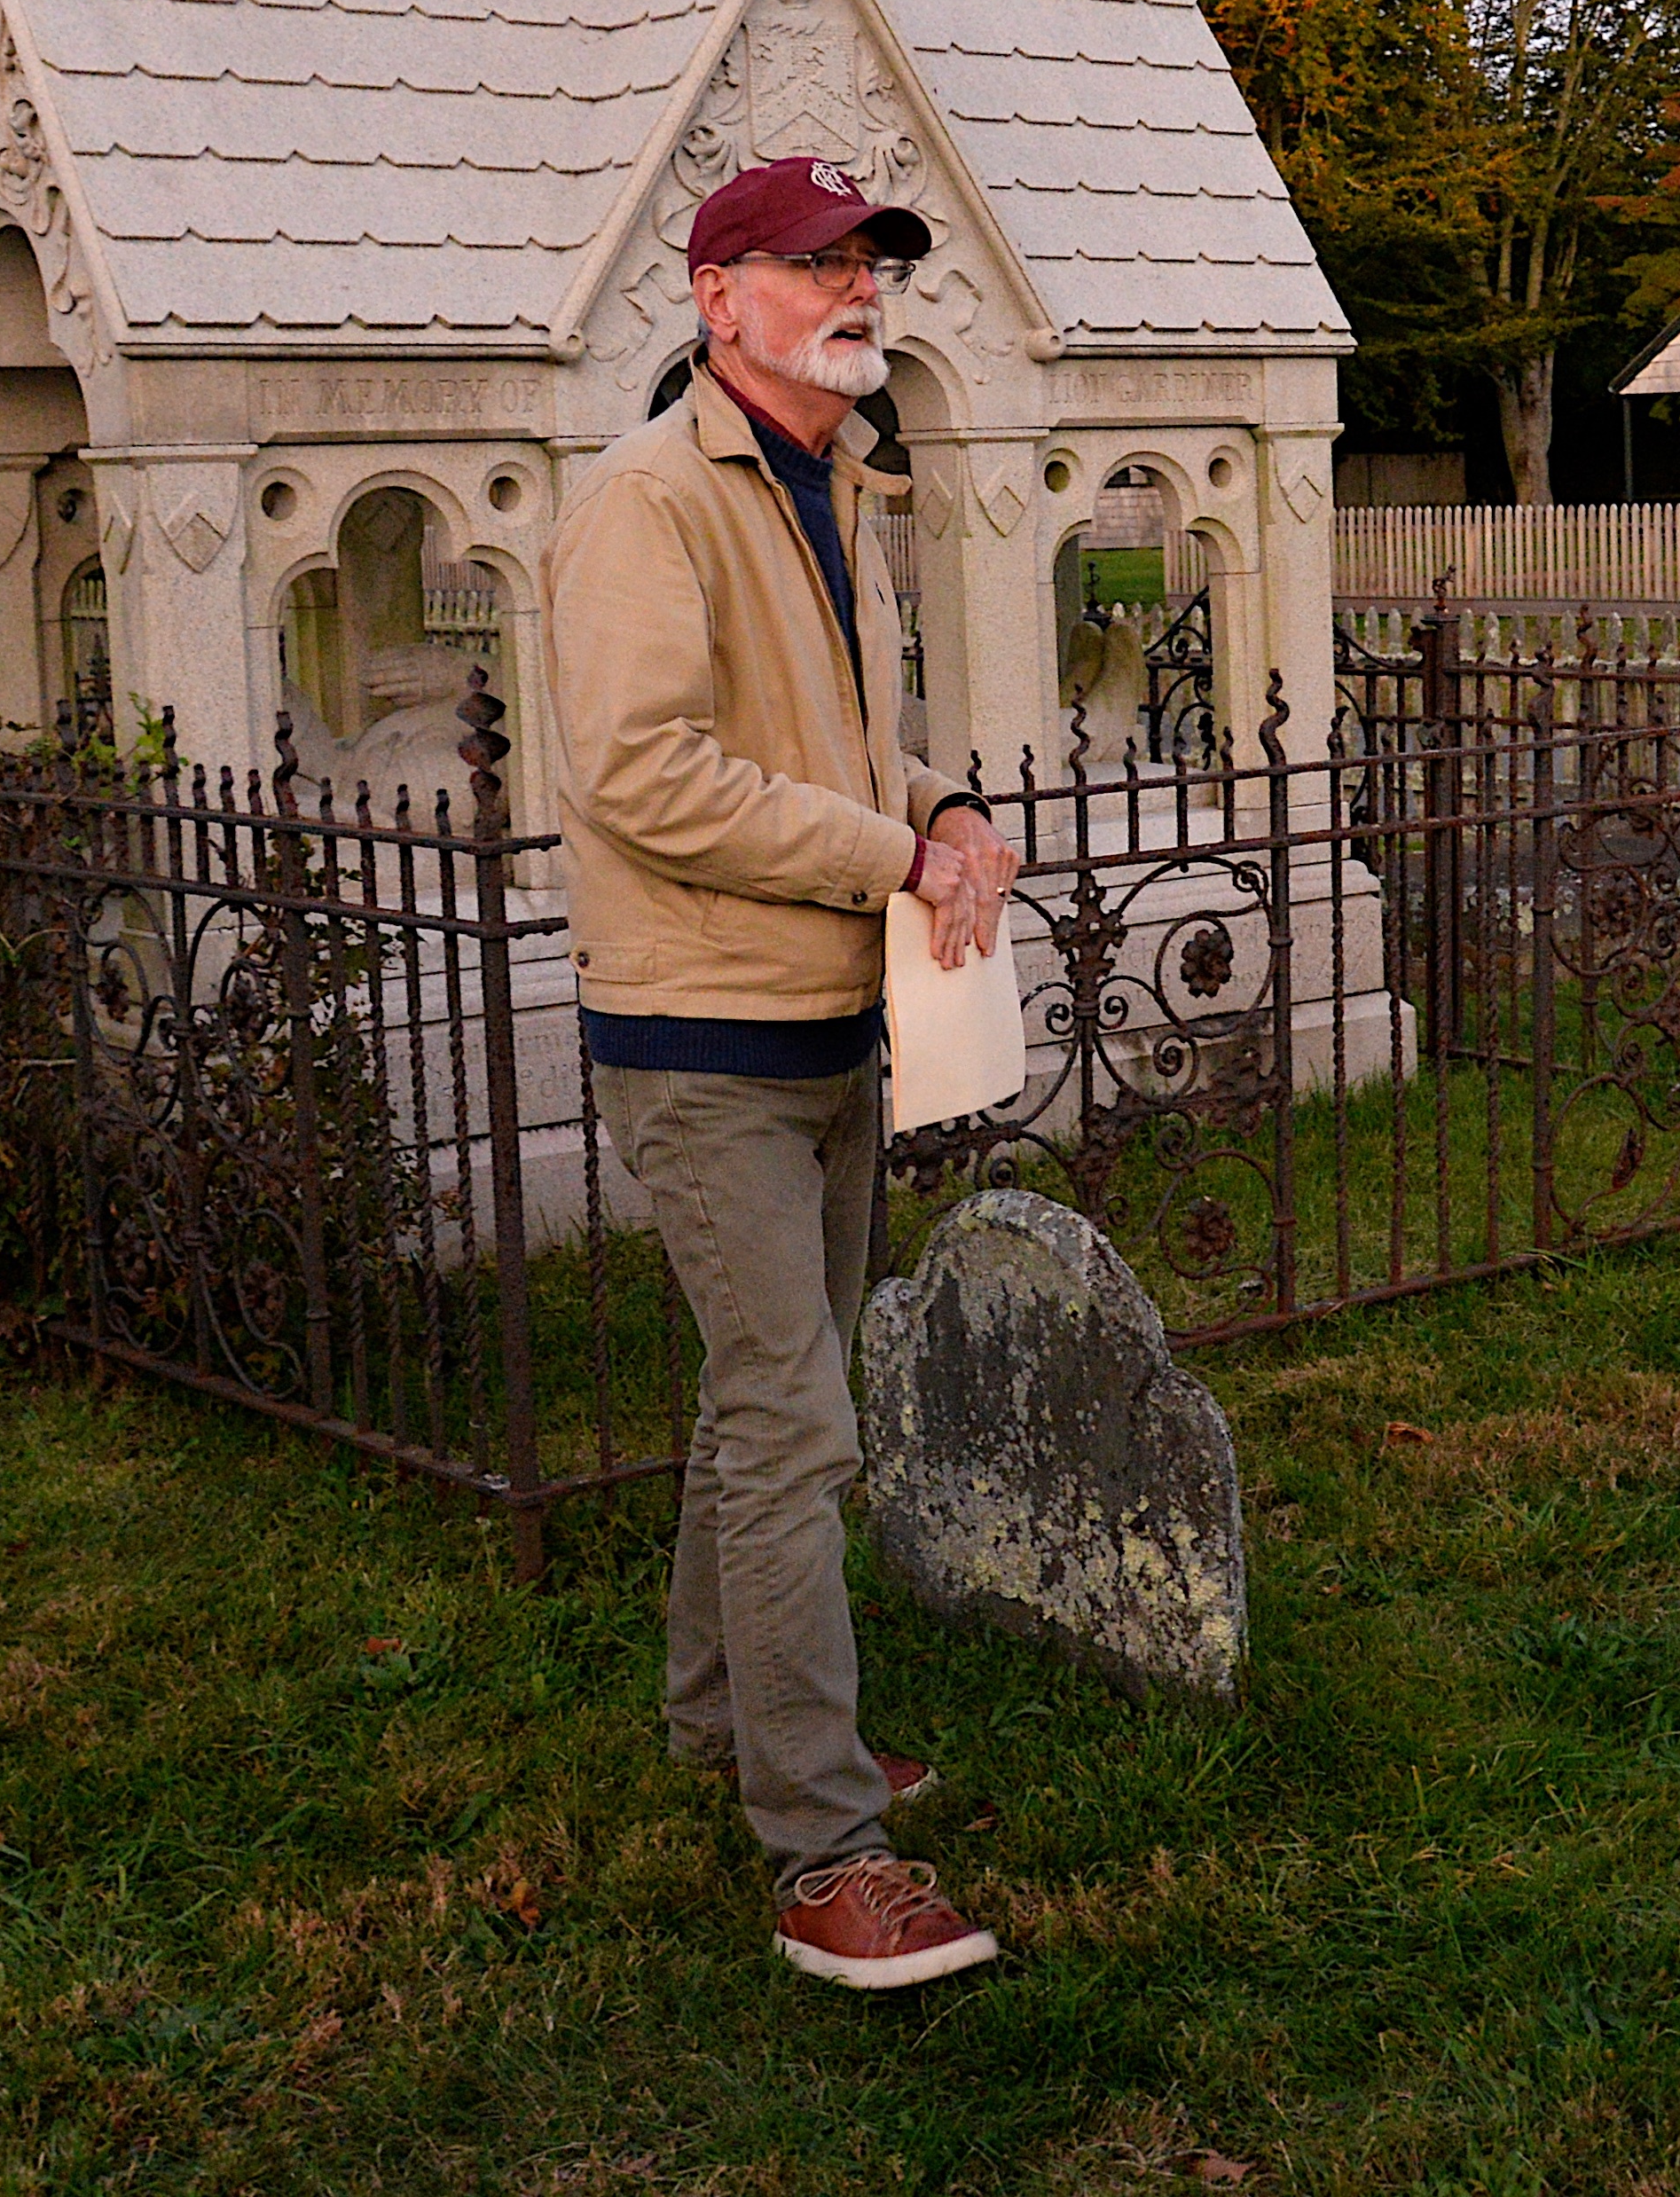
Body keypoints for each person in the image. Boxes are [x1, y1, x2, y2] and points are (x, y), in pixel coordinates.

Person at [546, 154, 1026, 1988]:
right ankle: (822, 1842)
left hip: (827, 1018)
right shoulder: (648, 504)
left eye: (869, 264)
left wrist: (946, 808)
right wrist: (886, 853)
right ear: (713, 294)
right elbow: (642, 772)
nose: (856, 289)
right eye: (815, 262)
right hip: (701, 1038)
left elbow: (840, 748)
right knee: (793, 1425)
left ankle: (720, 1721)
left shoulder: (835, 483)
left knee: (763, 1399)